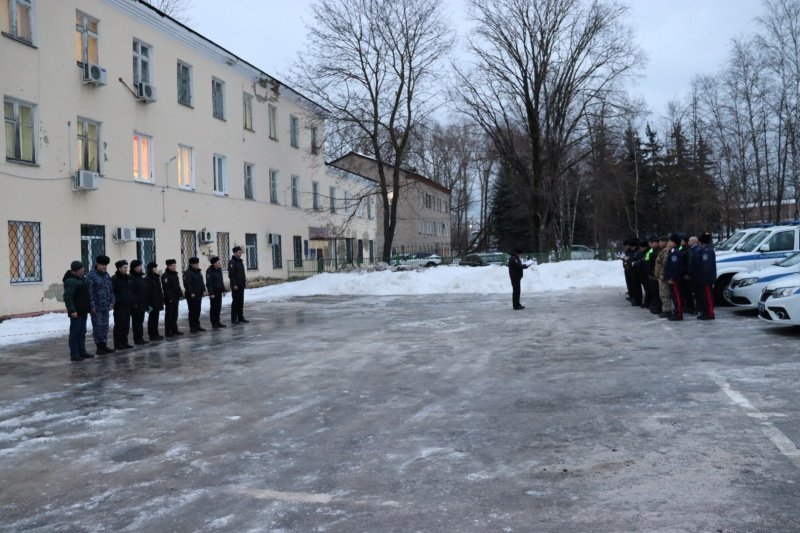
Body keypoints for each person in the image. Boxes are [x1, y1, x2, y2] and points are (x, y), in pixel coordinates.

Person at [85, 255, 115, 355]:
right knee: (97, 326)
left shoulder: (106, 275)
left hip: (105, 306)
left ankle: (104, 344)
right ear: (97, 264)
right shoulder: (91, 276)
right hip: (96, 307)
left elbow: (110, 289)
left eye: (105, 265)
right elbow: (89, 293)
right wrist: (92, 306)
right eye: (102, 265)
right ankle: (99, 347)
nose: (104, 267)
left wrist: (112, 301)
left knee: (105, 326)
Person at [63, 260, 92, 362]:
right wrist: (72, 310)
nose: (83, 269)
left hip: (83, 310)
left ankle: (82, 351)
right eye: (80, 269)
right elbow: (68, 297)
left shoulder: (81, 279)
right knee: (75, 332)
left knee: (82, 332)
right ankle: (74, 354)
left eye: (82, 268)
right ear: (75, 271)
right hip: (76, 311)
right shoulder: (70, 281)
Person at [694, 232, 717, 320]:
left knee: (708, 297)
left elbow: (706, 266)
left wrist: (704, 278)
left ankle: (710, 314)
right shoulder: (704, 250)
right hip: (703, 278)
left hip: (706, 279)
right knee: (703, 297)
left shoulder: (707, 251)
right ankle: (705, 312)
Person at [111, 260, 134, 350]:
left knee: (126, 324)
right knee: (119, 325)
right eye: (124, 267)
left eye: (127, 267)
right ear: (119, 268)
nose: (126, 269)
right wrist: (115, 302)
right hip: (119, 305)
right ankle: (118, 344)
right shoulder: (115, 278)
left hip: (127, 304)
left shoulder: (127, 278)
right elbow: (112, 291)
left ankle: (125, 342)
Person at [665, 233, 685, 321]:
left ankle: (679, 313)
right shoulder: (672, 251)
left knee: (676, 296)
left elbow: (675, 267)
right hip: (673, 278)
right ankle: (676, 311)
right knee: (674, 296)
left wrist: (671, 278)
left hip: (675, 279)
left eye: (669, 241)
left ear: (674, 243)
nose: (668, 243)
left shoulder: (675, 252)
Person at [183, 257, 207, 332]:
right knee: (192, 311)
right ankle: (192, 327)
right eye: (195, 264)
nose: (197, 265)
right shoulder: (187, 273)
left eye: (197, 264)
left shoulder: (198, 272)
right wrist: (191, 293)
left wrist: (203, 290)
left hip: (198, 294)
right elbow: (187, 284)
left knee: (197, 310)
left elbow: (201, 282)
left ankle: (197, 325)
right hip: (192, 295)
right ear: (191, 264)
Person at [161, 259, 183, 337]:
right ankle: (168, 331)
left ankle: (174, 329)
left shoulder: (174, 274)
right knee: (169, 315)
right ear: (169, 266)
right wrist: (169, 298)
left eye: (175, 265)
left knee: (175, 315)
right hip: (170, 299)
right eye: (173, 265)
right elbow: (166, 288)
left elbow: (177, 285)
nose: (175, 267)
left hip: (176, 297)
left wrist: (180, 294)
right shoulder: (165, 276)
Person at [129, 259, 149, 346]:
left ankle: (140, 337)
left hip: (142, 303)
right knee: (136, 322)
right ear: (133, 268)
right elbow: (131, 292)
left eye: (140, 266)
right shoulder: (131, 278)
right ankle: (137, 339)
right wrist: (134, 303)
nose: (140, 268)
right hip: (136, 304)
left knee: (140, 321)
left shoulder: (141, 277)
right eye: (138, 266)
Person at [228, 246, 249, 324]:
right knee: (235, 302)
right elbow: (231, 275)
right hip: (236, 286)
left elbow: (242, 273)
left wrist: (244, 282)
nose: (240, 253)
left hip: (241, 285)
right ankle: (234, 319)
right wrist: (234, 284)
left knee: (241, 302)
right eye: (239, 252)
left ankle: (240, 317)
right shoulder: (232, 262)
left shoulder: (240, 261)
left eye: (241, 252)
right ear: (235, 253)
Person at [206, 256, 227, 328]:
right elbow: (209, 283)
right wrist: (211, 293)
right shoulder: (209, 271)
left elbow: (221, 281)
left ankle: (218, 322)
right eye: (218, 262)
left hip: (219, 292)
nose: (219, 264)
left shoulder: (219, 270)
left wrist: (223, 290)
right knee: (214, 308)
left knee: (218, 308)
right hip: (214, 293)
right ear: (214, 263)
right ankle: (214, 323)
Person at [654, 236, 672, 318]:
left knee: (665, 294)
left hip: (663, 276)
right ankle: (665, 309)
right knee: (662, 294)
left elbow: (665, 264)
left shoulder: (666, 251)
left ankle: (667, 311)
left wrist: (662, 274)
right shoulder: (662, 250)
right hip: (660, 275)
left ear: (665, 242)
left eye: (660, 241)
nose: (659, 243)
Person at [146, 262, 164, 341]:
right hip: (151, 302)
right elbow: (147, 292)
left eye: (156, 267)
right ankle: (152, 335)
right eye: (154, 268)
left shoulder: (156, 278)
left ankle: (156, 333)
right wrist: (149, 303)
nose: (155, 269)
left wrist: (161, 300)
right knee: (151, 319)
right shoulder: (147, 279)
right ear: (150, 269)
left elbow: (159, 290)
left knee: (156, 319)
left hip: (157, 301)